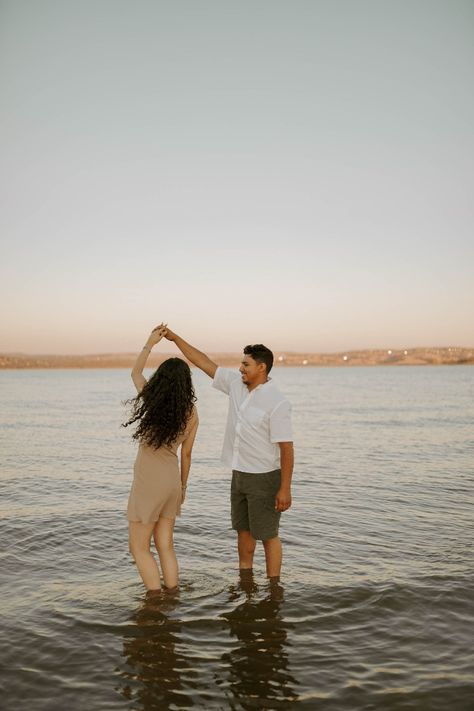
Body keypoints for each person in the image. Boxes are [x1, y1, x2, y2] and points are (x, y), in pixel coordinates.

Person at [163, 328, 293, 582]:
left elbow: (287, 449)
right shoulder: (235, 385)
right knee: (243, 532)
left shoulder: (277, 402)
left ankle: (274, 588)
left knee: (268, 535)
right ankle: (246, 579)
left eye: (246, 364)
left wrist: (284, 488)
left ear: (262, 368)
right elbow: (203, 362)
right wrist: (176, 338)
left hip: (265, 477)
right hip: (240, 474)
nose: (241, 368)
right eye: (241, 364)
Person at [122, 324, 199, 593]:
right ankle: (173, 595)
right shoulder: (191, 413)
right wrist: (183, 487)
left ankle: (155, 602)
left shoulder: (151, 401)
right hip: (171, 483)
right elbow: (186, 454)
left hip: (149, 482)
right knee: (165, 544)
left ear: (161, 380)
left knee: (139, 547)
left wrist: (150, 342)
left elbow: (135, 372)